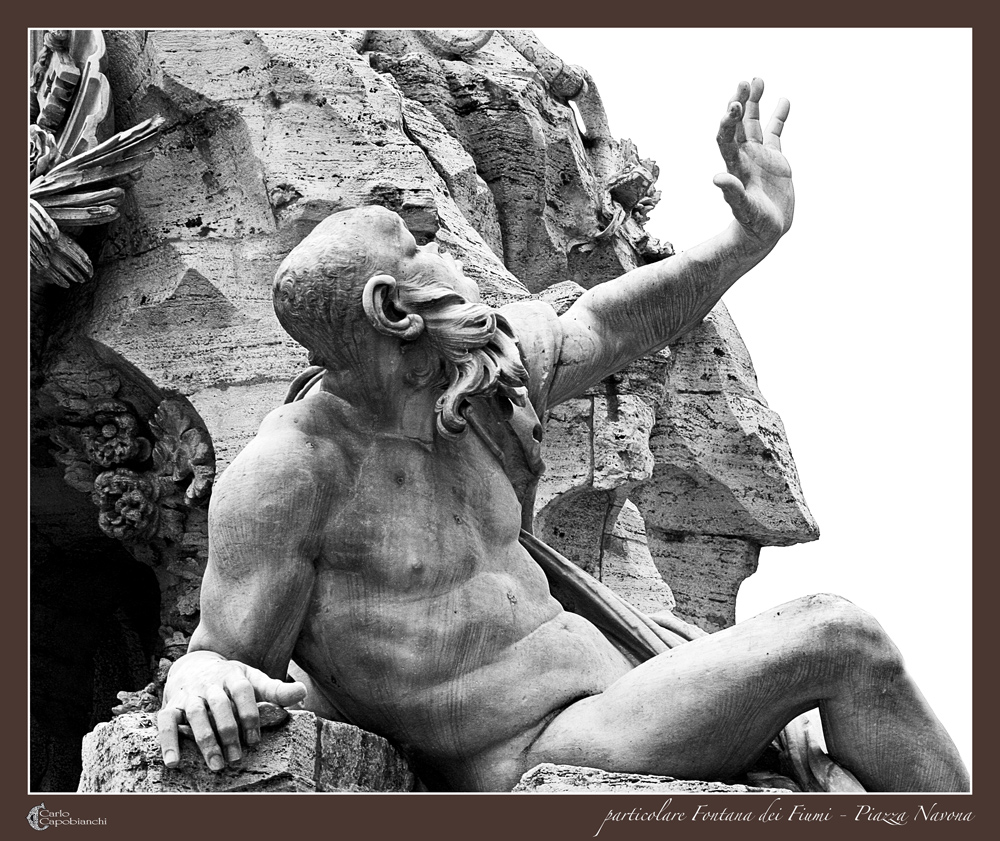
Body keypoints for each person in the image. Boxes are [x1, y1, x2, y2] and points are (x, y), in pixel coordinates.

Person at [157, 80, 969, 792]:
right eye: (421, 249)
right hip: (542, 746)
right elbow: (224, 648)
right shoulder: (292, 473)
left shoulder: (470, 384)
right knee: (839, 633)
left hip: (633, 679)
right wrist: (197, 674)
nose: (446, 251)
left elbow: (611, 323)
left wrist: (747, 239)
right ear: (393, 308)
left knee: (839, 659)